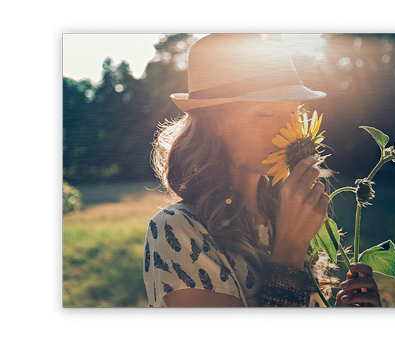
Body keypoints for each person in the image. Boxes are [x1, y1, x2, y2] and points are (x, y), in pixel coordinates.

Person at [143, 33, 382, 307]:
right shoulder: (178, 229)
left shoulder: (280, 214)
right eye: (265, 114)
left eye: (294, 112)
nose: (289, 129)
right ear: (215, 125)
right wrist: (290, 248)